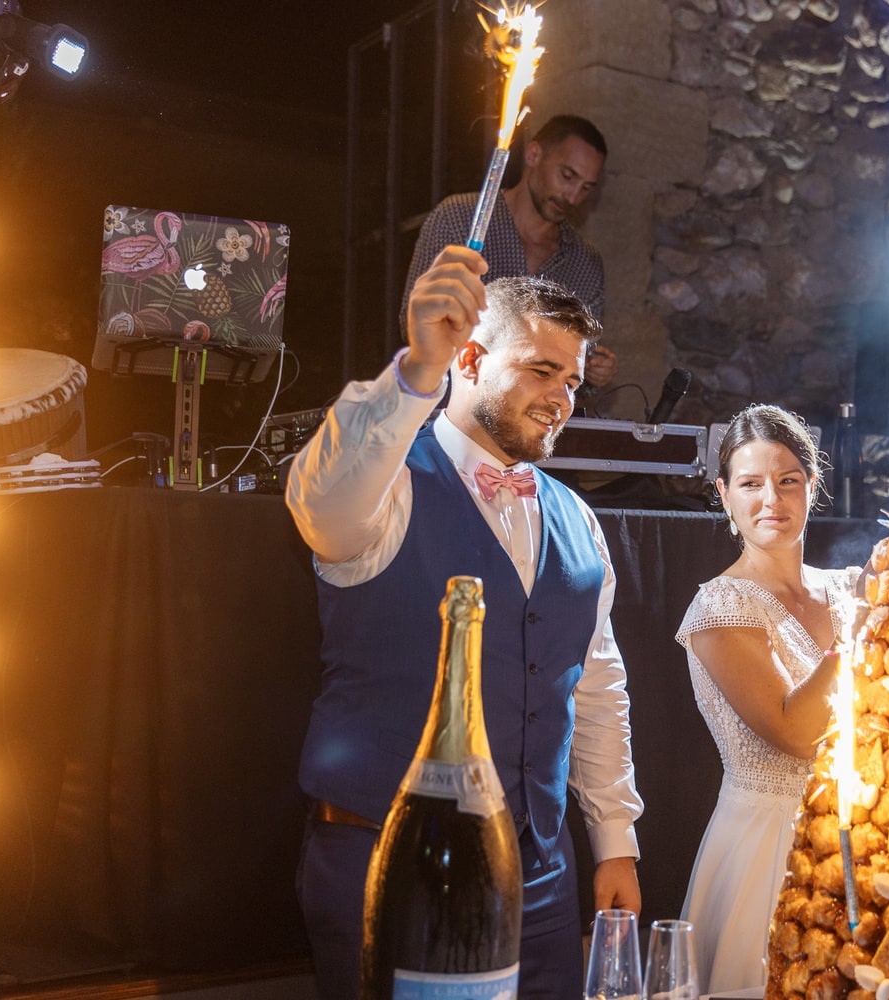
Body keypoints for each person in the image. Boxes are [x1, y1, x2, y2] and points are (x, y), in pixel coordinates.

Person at [286, 245, 643, 1000]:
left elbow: (596, 691)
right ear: (471, 358)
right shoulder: (389, 486)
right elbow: (324, 503)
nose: (562, 398)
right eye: (541, 371)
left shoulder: (577, 518)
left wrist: (615, 843)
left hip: (540, 871)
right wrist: (417, 367)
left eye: (573, 380)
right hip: (384, 855)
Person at [675, 403, 849, 993]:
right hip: (767, 850)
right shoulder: (720, 607)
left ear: (812, 487)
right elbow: (794, 730)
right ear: (724, 496)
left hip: (858, 837)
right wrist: (861, 639)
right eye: (750, 484)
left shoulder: (846, 590)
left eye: (787, 481)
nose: (771, 499)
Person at [402, 114, 618, 393]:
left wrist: (591, 370)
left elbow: (576, 371)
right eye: (567, 176)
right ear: (533, 154)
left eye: (586, 188)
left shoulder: (584, 263)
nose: (573, 196)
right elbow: (414, 324)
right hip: (451, 408)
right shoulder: (459, 219)